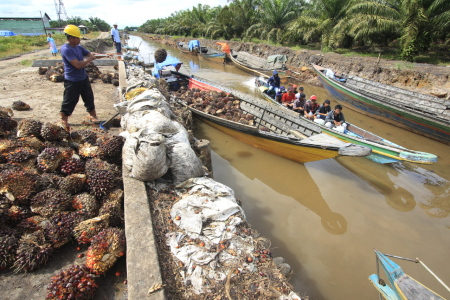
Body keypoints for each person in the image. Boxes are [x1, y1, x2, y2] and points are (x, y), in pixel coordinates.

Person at [60, 24, 101, 131]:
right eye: (77, 38)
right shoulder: (66, 49)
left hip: (83, 78)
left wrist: (101, 55)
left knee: (89, 98)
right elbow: (77, 65)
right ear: (71, 38)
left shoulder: (78, 47)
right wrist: (90, 59)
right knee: (69, 100)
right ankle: (64, 119)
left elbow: (90, 54)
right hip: (72, 80)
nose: (79, 40)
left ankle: (93, 116)